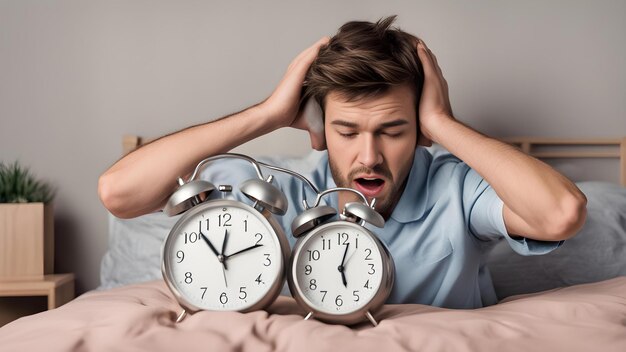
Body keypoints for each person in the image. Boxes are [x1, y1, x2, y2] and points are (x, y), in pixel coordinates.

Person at [98, 16, 587, 308]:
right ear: (319, 129)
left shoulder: (456, 188)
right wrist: (267, 113)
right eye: (347, 132)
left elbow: (560, 213)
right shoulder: (274, 191)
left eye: (394, 131)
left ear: (417, 129)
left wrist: (442, 125)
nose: (369, 156)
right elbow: (118, 194)